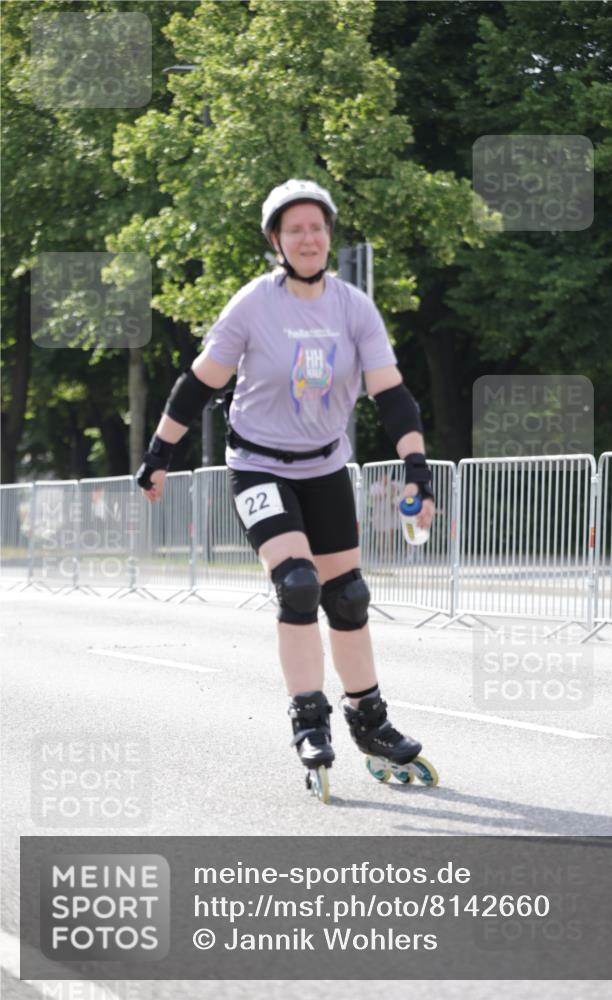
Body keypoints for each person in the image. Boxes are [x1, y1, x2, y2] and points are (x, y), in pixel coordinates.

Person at [136, 179, 437, 800]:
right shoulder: (253, 304)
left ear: (329, 236)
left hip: (325, 466)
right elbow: (198, 384)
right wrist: (159, 453)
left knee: (348, 597)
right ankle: (309, 720)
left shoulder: (354, 307)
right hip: (258, 465)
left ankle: (370, 723)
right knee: (298, 583)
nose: (308, 237)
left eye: (317, 227)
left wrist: (417, 467)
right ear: (276, 240)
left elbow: (391, 394)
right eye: (295, 228)